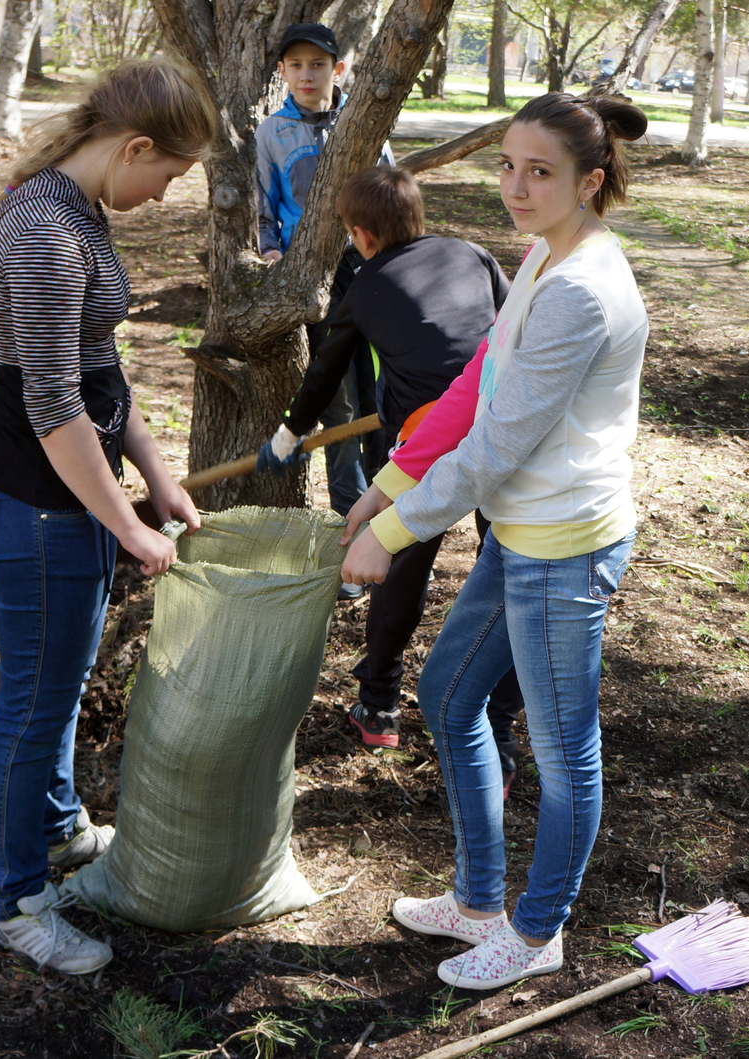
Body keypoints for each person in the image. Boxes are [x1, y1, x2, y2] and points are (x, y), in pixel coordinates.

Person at [340, 93, 650, 990]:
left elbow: (497, 446)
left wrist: (390, 535)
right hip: (523, 535)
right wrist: (387, 484)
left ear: (591, 182)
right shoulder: (548, 256)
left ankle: (537, 928)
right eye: (507, 166)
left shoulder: (584, 291)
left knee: (562, 753)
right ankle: (477, 900)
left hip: (565, 548)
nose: (516, 187)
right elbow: (478, 381)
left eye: (540, 172)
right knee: (444, 695)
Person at [0, 60, 214, 976]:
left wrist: (157, 477)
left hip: (73, 498)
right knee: (32, 701)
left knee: (59, 681)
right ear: (134, 147)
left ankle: (58, 831)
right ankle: (20, 900)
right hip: (33, 502)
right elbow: (54, 409)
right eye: (169, 177)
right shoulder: (44, 235)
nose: (164, 193)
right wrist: (130, 527)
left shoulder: (77, 210)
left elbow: (100, 372)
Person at [258, 166, 528, 784]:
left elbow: (325, 370)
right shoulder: (473, 254)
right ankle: (503, 729)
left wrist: (287, 434)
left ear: (361, 235)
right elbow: (515, 329)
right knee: (512, 567)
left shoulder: (365, 284)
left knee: (401, 553)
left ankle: (379, 703)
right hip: (504, 428)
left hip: (426, 442)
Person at [257, 21, 390, 539]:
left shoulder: (363, 121)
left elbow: (390, 192)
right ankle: (347, 530)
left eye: (318, 64)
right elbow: (264, 203)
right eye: (296, 65)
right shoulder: (273, 132)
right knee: (339, 407)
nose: (307, 75)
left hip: (370, 272)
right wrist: (271, 250)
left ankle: (386, 523)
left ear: (338, 69)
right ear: (282, 71)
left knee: (378, 398)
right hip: (315, 280)